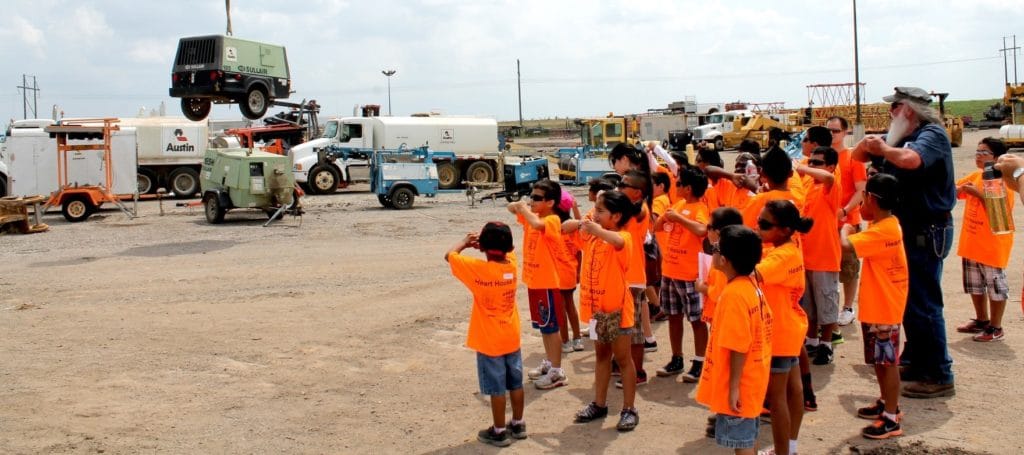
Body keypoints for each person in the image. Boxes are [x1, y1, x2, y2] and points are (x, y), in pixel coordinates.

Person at [852, 86, 956, 399]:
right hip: (906, 230)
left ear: (908, 110)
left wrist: (883, 149)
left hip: (927, 229)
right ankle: (916, 358)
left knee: (924, 303)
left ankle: (938, 373)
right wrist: (872, 143)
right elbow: (857, 156)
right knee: (908, 301)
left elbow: (912, 161)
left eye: (894, 108)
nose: (889, 113)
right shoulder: (897, 136)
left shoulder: (931, 134)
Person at [840, 173, 909, 440]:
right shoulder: (885, 224)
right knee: (880, 362)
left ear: (872, 199)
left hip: (885, 308)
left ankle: (891, 418)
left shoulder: (884, 230)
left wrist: (846, 226)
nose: (861, 204)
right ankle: (885, 401)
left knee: (887, 362)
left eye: (864, 198)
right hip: (878, 305)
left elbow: (845, 246)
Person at [445, 222, 526, 447]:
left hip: (489, 340)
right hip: (511, 336)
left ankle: (499, 430)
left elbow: (449, 255)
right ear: (509, 248)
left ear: (482, 248)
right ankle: (518, 423)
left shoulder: (478, 270)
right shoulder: (511, 265)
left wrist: (465, 241)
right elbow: (506, 252)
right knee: (516, 383)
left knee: (497, 389)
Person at [568, 190, 642, 432]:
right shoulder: (590, 236)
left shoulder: (623, 237)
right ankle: (599, 404)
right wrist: (582, 223)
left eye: (601, 211)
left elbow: (619, 242)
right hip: (597, 311)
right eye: (595, 210)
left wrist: (596, 229)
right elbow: (564, 227)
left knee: (622, 360)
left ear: (617, 216)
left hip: (617, 310)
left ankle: (629, 409)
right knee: (601, 356)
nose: (595, 214)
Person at [696, 225, 772, 455]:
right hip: (753, 377)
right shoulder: (750, 285)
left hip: (742, 382)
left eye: (717, 248)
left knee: (742, 444)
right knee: (748, 437)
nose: (713, 250)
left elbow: (738, 345)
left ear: (725, 260)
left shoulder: (733, 296)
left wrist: (734, 388)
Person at [755, 200, 812, 455]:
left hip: (778, 333)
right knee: (792, 390)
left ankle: (783, 451)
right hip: (789, 327)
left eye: (765, 225)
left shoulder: (782, 255)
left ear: (786, 229)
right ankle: (790, 447)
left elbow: (754, 274)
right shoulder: (787, 247)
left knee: (777, 400)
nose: (758, 228)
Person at [507, 179, 569, 390]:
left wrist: (523, 207)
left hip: (547, 281)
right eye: (531, 196)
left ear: (550, 202)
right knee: (544, 326)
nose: (532, 201)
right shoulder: (534, 216)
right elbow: (513, 209)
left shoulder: (552, 219)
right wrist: (519, 206)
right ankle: (550, 363)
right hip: (535, 281)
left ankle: (557, 371)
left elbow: (536, 224)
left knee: (552, 328)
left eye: (537, 198)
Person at [954, 138, 1016, 342]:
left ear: (996, 158)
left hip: (991, 246)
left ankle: (996, 327)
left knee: (996, 288)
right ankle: (982, 319)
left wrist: (976, 193)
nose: (978, 156)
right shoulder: (976, 175)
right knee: (975, 285)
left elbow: (999, 213)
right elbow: (955, 191)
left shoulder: (1002, 180)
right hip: (972, 243)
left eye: (984, 153)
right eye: (977, 152)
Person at [653, 166, 710, 382]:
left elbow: (702, 230)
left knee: (696, 319)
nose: (675, 187)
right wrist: (665, 218)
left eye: (679, 184)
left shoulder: (699, 207)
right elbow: (657, 227)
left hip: (689, 274)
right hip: (670, 270)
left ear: (688, 188)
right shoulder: (678, 204)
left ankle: (699, 361)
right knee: (673, 316)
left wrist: (678, 218)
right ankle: (677, 358)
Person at [795, 146, 842, 365]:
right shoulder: (806, 184)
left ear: (831, 166)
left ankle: (826, 344)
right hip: (804, 255)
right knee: (809, 306)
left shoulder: (831, 186)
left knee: (827, 303)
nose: (812, 166)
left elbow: (827, 178)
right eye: (810, 161)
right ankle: (812, 340)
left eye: (817, 163)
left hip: (824, 256)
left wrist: (803, 167)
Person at [615, 170, 655, 387]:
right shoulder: (629, 208)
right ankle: (625, 365)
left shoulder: (638, 211)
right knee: (624, 328)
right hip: (624, 275)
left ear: (637, 193)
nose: (619, 187)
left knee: (634, 331)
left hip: (633, 278)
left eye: (624, 184)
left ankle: (637, 371)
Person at [829, 116, 869, 328]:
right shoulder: (824, 157)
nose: (832, 134)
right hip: (827, 222)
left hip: (847, 220)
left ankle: (848, 307)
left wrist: (845, 211)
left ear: (845, 132)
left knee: (849, 267)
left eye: (835, 130)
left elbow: (861, 190)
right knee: (829, 268)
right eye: (829, 130)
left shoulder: (853, 157)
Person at [555, 190, 585, 353]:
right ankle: (577, 338)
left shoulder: (553, 226)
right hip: (569, 271)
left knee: (561, 307)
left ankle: (566, 340)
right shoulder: (572, 225)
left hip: (560, 273)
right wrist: (578, 271)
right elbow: (579, 251)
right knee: (569, 305)